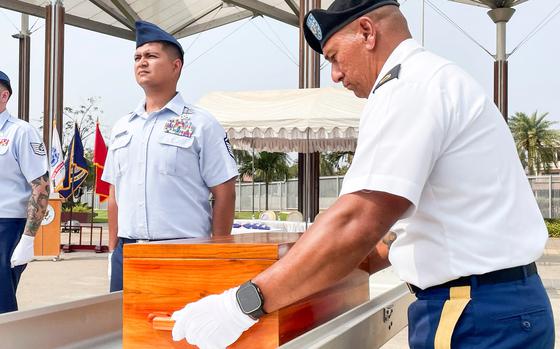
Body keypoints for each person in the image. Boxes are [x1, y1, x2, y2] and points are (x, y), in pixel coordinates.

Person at [170, 1, 555, 348]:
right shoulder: (433, 78)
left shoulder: (407, 87)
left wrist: (244, 303)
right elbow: (410, 232)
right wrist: (302, 266)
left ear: (368, 32)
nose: (335, 75)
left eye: (335, 57)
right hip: (496, 304)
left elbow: (357, 220)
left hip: (474, 314)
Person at [101, 21, 238, 292]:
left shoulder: (201, 123)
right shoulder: (122, 127)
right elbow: (114, 195)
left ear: (176, 66)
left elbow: (225, 193)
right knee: (125, 332)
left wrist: (218, 250)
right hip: (127, 254)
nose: (142, 63)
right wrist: (113, 248)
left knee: (181, 331)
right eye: (137, 57)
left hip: (184, 251)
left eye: (151, 56)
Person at [0, 70, 50, 314]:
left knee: (1, 301)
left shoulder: (21, 132)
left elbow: (40, 186)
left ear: (4, 95)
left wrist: (28, 238)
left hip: (7, 227)